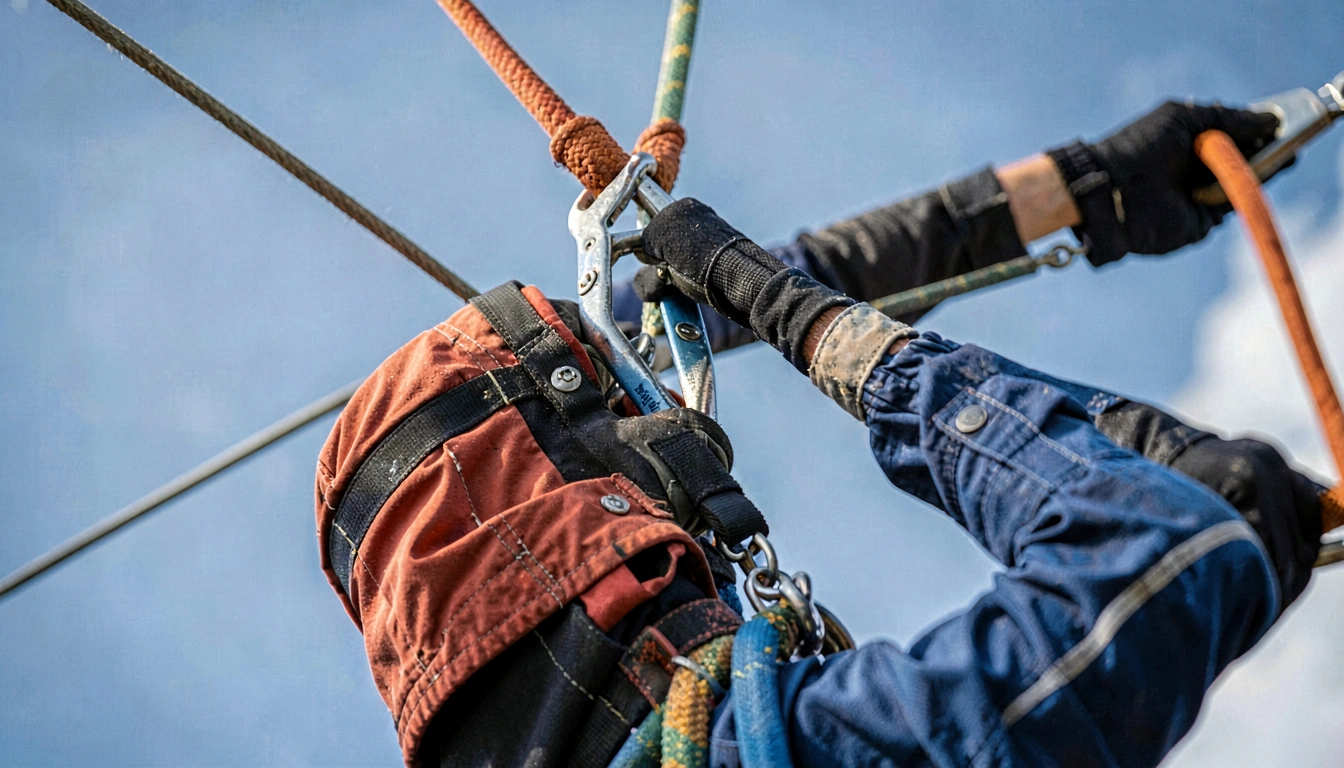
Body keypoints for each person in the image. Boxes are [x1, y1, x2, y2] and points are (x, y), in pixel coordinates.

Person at [314, 101, 1324, 768]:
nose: (665, 418)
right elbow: (1162, 556)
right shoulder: (750, 747)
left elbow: (704, 294)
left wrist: (1075, 188)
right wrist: (820, 330)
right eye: (611, 413)